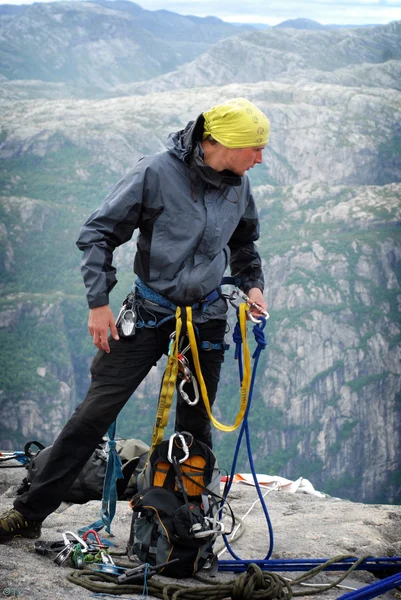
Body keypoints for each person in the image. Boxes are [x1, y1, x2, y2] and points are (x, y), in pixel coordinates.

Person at [0, 97, 270, 542]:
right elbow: (98, 234)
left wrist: (253, 286)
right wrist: (98, 303)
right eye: (254, 148)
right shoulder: (156, 174)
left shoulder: (237, 184)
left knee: (195, 421)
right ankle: (28, 513)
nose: (260, 158)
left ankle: (185, 523)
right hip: (149, 311)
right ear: (220, 142)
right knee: (94, 413)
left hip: (205, 317)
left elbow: (244, 245)